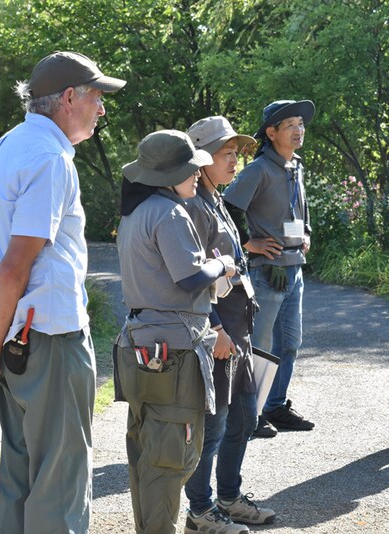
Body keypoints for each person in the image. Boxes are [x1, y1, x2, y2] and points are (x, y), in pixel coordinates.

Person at [0, 51, 125, 532]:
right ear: (70, 97)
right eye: (97, 97)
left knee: (21, 480)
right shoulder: (49, 159)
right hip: (49, 339)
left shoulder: (5, 148)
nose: (103, 109)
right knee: (60, 488)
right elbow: (12, 266)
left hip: (15, 340)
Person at [114, 129, 237, 534]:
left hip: (143, 344)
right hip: (175, 350)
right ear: (167, 176)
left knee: (148, 450)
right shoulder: (169, 213)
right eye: (191, 171)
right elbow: (189, 278)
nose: (198, 177)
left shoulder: (137, 211)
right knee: (173, 455)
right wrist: (223, 265)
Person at [182, 116, 276, 533]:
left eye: (237, 152)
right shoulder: (191, 205)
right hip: (219, 333)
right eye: (227, 153)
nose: (235, 160)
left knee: (244, 420)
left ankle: (230, 499)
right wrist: (216, 329)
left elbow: (230, 265)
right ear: (201, 159)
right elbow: (192, 278)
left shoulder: (215, 197)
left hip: (241, 328)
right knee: (215, 425)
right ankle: (200, 512)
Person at [223, 99, 316, 438]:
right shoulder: (259, 169)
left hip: (295, 268)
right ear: (271, 132)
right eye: (290, 124)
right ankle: (252, 413)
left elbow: (298, 211)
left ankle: (275, 406)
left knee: (290, 342)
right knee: (259, 345)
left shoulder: (297, 166)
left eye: (300, 124)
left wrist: (305, 233)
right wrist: (250, 244)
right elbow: (226, 209)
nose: (298, 129)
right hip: (267, 271)